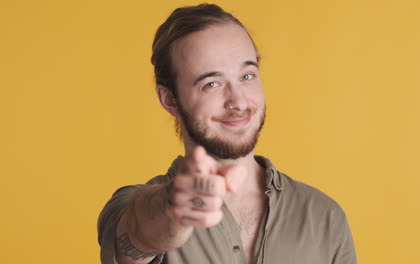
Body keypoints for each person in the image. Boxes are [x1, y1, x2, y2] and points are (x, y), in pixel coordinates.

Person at [98, 4, 357, 264]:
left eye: (247, 75)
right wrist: (171, 208)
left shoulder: (325, 217)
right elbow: (139, 230)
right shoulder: (130, 206)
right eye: (212, 84)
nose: (239, 102)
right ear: (170, 100)